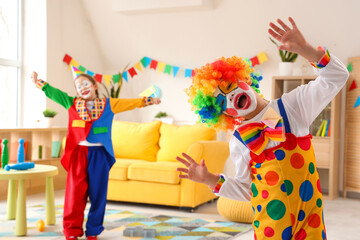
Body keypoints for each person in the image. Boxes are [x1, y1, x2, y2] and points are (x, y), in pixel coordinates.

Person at [176, 17, 349, 240]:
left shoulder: (293, 107)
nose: (230, 99)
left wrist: (306, 50)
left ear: (243, 78)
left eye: (229, 87)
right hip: (271, 226)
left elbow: (338, 77)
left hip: (309, 221)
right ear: (223, 114)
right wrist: (210, 179)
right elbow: (247, 189)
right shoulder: (239, 140)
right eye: (221, 103)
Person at [31, 67, 161, 240]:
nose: (82, 88)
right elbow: (54, 92)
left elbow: (131, 102)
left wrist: (151, 100)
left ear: (95, 85)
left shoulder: (109, 104)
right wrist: (38, 82)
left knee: (98, 195)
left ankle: (93, 231)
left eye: (85, 84)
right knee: (74, 194)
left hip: (99, 154)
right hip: (78, 154)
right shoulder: (71, 102)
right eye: (78, 87)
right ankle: (71, 231)